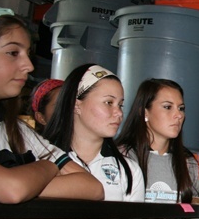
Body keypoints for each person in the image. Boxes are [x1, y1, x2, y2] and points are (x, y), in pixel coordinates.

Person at [0, 7, 104, 204]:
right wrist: (49, 166)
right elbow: (12, 190)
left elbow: (92, 187)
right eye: (13, 52)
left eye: (27, 53)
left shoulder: (16, 130)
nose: (28, 65)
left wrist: (26, 182)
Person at [43, 63, 145, 202]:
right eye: (109, 102)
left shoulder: (129, 170)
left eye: (120, 105)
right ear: (77, 105)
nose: (119, 113)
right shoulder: (41, 160)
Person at [116, 78, 199, 203]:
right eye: (167, 107)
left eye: (181, 108)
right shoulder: (122, 156)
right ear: (145, 113)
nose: (179, 115)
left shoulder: (188, 163)